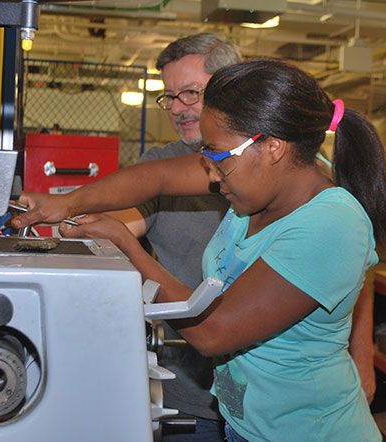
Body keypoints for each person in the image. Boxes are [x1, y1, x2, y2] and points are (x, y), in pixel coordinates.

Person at [11, 58, 386, 441]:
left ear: (272, 146)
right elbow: (157, 176)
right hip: (246, 426)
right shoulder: (251, 193)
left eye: (218, 157)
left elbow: (213, 330)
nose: (209, 171)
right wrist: (68, 203)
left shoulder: (329, 224)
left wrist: (128, 247)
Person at [108, 33, 240, 441]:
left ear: (231, 88)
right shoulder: (157, 167)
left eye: (191, 93)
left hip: (271, 399)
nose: (178, 109)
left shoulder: (269, 166)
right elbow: (115, 226)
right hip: (191, 398)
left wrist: (360, 353)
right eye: (169, 97)